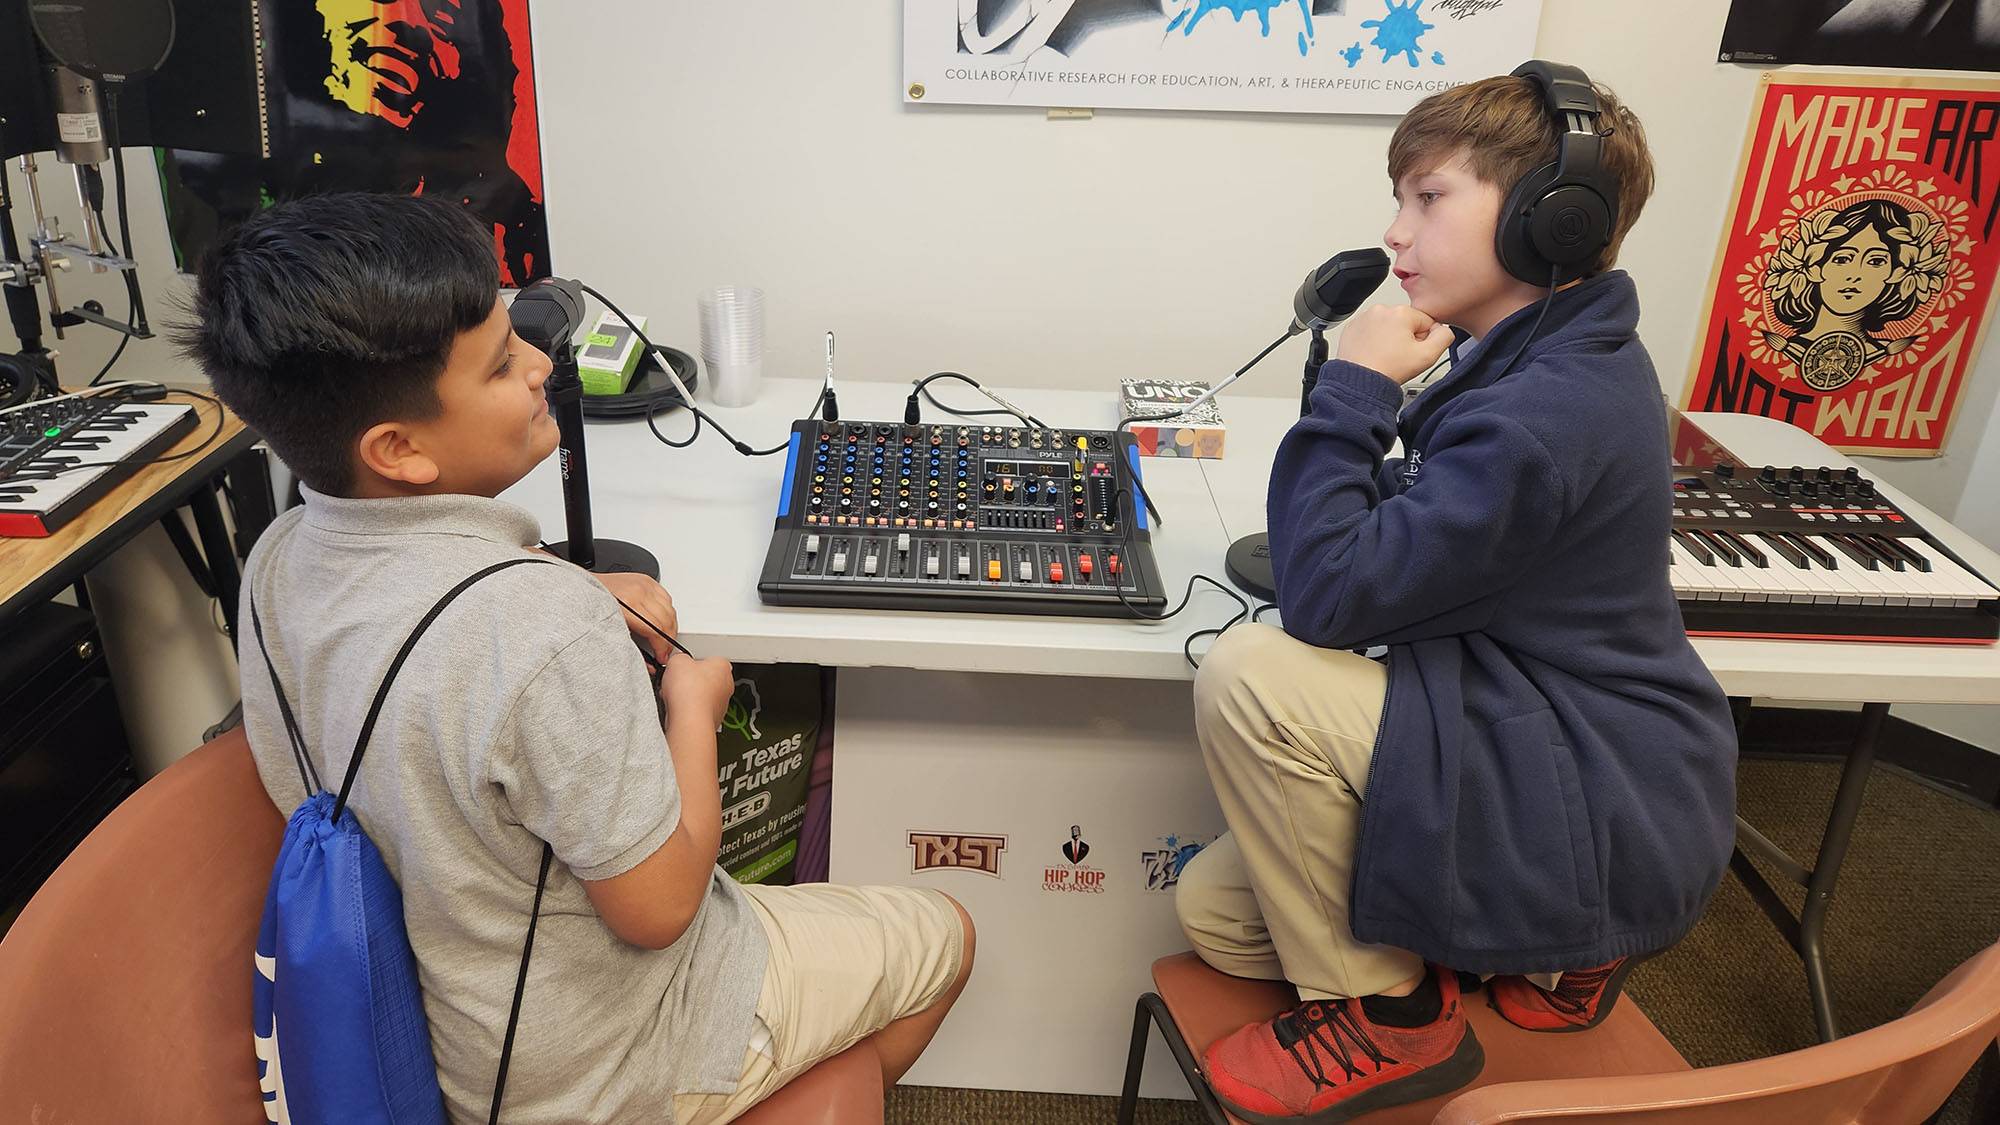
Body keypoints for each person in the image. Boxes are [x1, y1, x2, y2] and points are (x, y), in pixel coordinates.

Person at [181, 191, 972, 1124]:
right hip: (582, 1072)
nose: (540, 365)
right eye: (500, 363)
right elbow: (662, 906)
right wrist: (693, 706)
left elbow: (410, 632)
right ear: (398, 448)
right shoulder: (542, 632)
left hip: (410, 1017)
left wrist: (564, 591)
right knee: (942, 935)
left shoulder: (277, 558)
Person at [1173, 66, 1738, 1121]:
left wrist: (1355, 389)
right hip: (1521, 724)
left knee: (1251, 674)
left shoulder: (1542, 411)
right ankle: (1546, 946)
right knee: (1217, 915)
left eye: (1426, 199)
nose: (1393, 233)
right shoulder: (1540, 360)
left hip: (1588, 777)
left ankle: (1393, 1020)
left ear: (1548, 220)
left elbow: (1327, 598)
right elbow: (1431, 518)